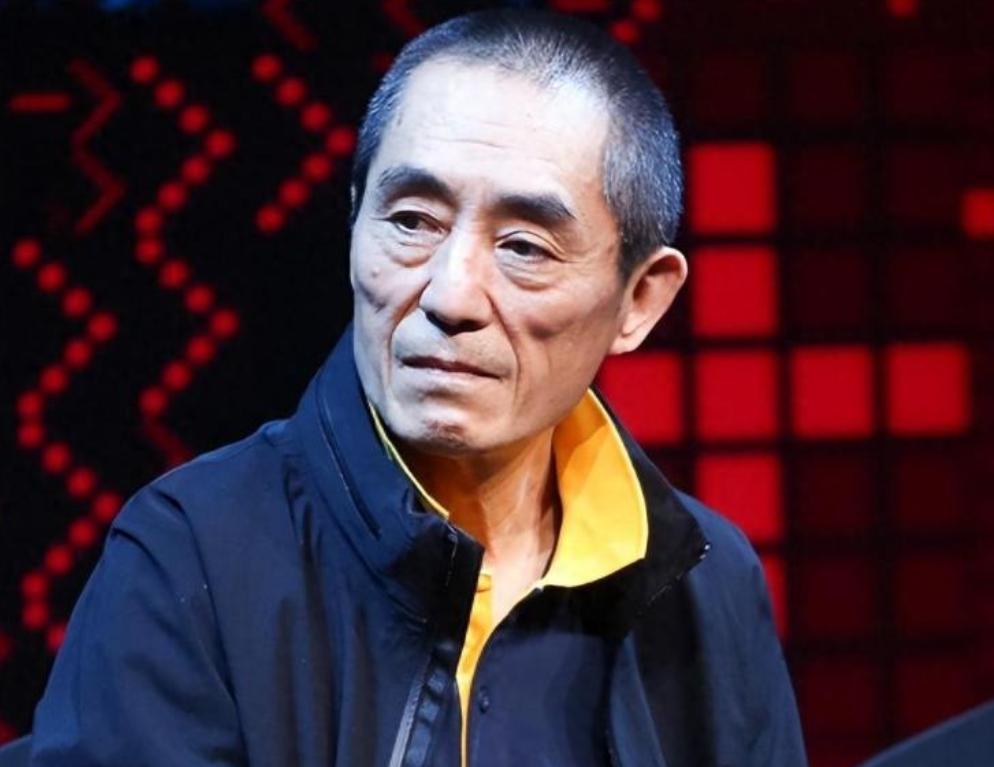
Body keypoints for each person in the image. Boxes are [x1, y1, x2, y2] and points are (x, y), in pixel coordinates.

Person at [28, 8, 807, 767]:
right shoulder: (190, 556)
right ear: (353, 223)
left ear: (639, 300)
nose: (450, 295)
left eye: (523, 246)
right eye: (411, 221)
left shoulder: (706, 588)